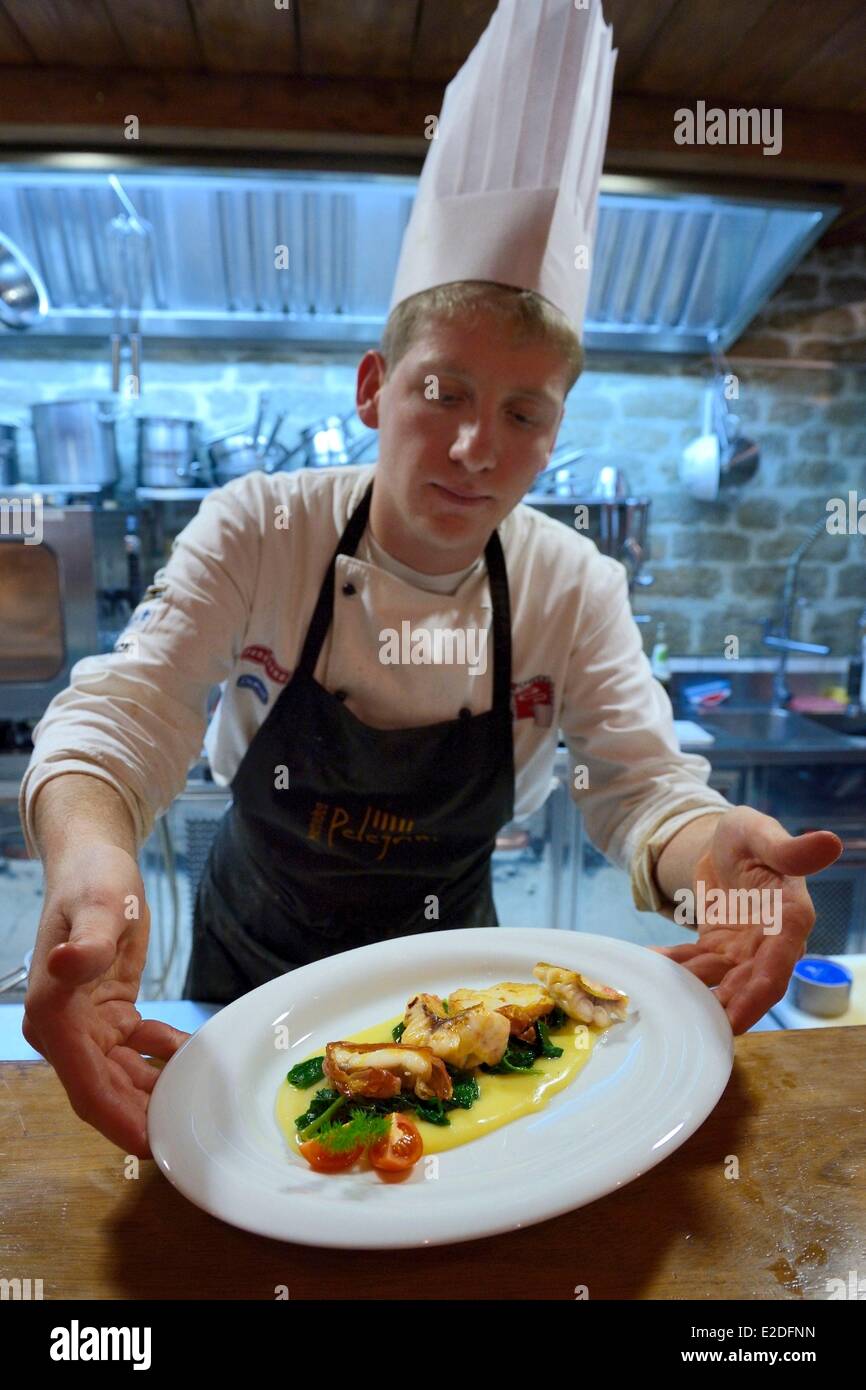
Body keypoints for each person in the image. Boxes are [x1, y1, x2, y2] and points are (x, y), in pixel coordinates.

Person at [19, 0, 843, 1158]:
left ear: (553, 434)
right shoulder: (261, 528)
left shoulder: (571, 584)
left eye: (520, 412)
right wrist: (94, 864)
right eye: (441, 391)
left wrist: (718, 869)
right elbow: (120, 719)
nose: (474, 449)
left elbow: (641, 790)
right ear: (371, 387)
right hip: (247, 970)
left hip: (459, 992)